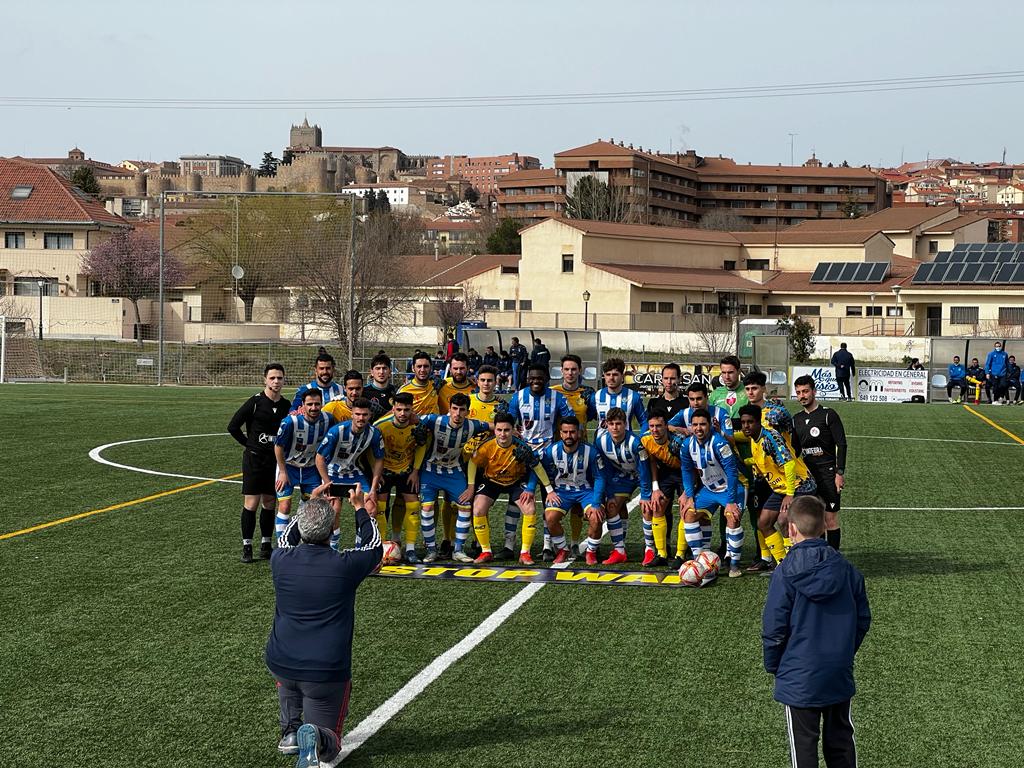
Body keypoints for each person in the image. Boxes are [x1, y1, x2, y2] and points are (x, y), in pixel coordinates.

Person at [265, 493, 382, 764]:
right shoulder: (345, 565)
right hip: (324, 670)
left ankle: (290, 732)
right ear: (331, 530)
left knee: (288, 683)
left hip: (281, 660)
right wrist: (361, 509)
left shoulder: (280, 558)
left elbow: (287, 536)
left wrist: (308, 504)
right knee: (330, 744)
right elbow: (374, 547)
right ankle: (317, 737)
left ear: (302, 525)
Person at [762, 495, 870, 768]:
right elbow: (863, 619)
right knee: (841, 742)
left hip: (799, 674)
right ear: (824, 528)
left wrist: (775, 666)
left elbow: (774, 629)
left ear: (791, 529)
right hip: (837, 670)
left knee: (803, 748)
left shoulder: (785, 573)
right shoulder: (847, 570)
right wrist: (843, 652)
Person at [409, 393, 492, 562]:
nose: (457, 413)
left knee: (465, 506)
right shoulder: (435, 420)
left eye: (462, 410)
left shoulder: (472, 425)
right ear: (449, 408)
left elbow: (492, 426)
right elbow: (412, 417)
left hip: (453, 471)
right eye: (454, 409)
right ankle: (431, 550)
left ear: (467, 411)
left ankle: (458, 550)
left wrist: (513, 431)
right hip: (430, 470)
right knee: (427, 509)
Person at [739, 404, 817, 573]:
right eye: (743, 423)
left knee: (783, 520)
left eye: (750, 422)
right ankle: (783, 564)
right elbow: (761, 460)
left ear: (758, 422)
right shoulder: (754, 439)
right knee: (763, 522)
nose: (746, 426)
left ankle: (795, 564)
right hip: (781, 489)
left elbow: (789, 464)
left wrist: (789, 494)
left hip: (800, 485)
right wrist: (744, 462)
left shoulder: (770, 438)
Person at [465, 413, 552, 565]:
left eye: (506, 430)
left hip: (515, 482)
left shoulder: (522, 446)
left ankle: (525, 553)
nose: (502, 434)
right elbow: (473, 463)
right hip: (491, 481)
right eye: (499, 430)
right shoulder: (486, 446)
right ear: (495, 430)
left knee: (530, 508)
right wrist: (471, 486)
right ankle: (486, 551)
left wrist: (549, 489)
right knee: (478, 509)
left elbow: (537, 466)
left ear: (513, 430)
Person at [228, 363, 289, 563]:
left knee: (270, 502)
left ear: (284, 380)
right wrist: (249, 444)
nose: (276, 381)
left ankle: (266, 544)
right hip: (254, 460)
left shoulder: (286, 405)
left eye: (279, 378)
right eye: (272, 378)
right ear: (265, 380)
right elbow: (233, 426)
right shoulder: (255, 402)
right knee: (251, 503)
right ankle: (247, 546)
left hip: (275, 461)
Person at [679, 408, 744, 578]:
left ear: (709, 425)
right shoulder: (687, 445)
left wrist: (731, 501)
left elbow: (732, 472)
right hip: (709, 489)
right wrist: (689, 496)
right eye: (695, 425)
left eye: (702, 424)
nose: (698, 428)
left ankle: (734, 565)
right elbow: (686, 470)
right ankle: (700, 560)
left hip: (731, 489)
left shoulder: (720, 443)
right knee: (689, 514)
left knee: (732, 517)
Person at [314, 398, 385, 551]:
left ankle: (360, 548)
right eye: (357, 414)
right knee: (333, 510)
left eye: (365, 415)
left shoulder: (374, 433)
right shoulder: (337, 431)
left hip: (354, 472)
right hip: (333, 473)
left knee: (371, 508)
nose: (361, 418)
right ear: (352, 414)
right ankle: (333, 548)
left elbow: (379, 460)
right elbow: (319, 458)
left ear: (370, 415)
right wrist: (327, 484)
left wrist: (373, 489)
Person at [588, 407, 654, 565]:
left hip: (641, 476)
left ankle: (650, 549)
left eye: (618, 424)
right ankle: (619, 551)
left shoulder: (636, 443)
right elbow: (604, 469)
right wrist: (610, 493)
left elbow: (645, 470)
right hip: (622, 477)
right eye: (611, 424)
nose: (615, 427)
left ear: (625, 424)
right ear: (606, 424)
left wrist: (645, 495)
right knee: (611, 506)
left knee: (647, 507)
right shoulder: (600, 442)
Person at [791, 375, 848, 550]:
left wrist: (839, 473)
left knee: (830, 519)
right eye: (798, 392)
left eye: (805, 391)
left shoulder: (828, 415)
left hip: (828, 473)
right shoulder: (796, 419)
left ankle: (833, 556)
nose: (802, 396)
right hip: (807, 476)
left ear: (814, 391)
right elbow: (795, 450)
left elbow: (841, 444)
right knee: (813, 519)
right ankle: (818, 555)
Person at [274, 388, 336, 542]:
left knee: (311, 507)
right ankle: (283, 546)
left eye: (317, 404)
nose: (313, 408)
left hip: (311, 469)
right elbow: (278, 446)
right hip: (289, 467)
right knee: (285, 505)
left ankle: (304, 543)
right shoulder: (290, 422)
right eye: (309, 404)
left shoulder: (328, 419)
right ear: (302, 405)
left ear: (322, 404)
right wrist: (282, 472)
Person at [540, 417, 603, 564]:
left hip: (586, 491)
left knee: (596, 517)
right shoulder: (551, 451)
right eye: (566, 432)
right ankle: (563, 549)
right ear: (560, 433)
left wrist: (596, 503)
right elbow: (538, 470)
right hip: (562, 491)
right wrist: (548, 491)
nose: (569, 435)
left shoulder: (591, 452)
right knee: (550, 518)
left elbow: (600, 478)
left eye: (572, 432)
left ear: (579, 433)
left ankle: (591, 552)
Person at [373, 392, 421, 559]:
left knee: (413, 506)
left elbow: (421, 447)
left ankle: (409, 548)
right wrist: (376, 472)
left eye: (406, 410)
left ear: (412, 409)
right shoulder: (380, 426)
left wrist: (415, 471)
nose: (402, 413)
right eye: (399, 409)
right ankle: (380, 547)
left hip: (406, 470)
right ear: (393, 409)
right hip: (384, 470)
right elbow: (370, 450)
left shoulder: (418, 426)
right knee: (380, 507)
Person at [640, 409, 682, 567]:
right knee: (657, 506)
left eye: (658, 426)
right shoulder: (645, 439)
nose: (655, 430)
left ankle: (681, 554)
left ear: (666, 426)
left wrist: (688, 491)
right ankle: (661, 554)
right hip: (666, 472)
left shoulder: (679, 441)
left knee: (686, 509)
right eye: (651, 426)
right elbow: (652, 461)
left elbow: (690, 465)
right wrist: (655, 487)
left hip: (685, 472)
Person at [590, 357, 648, 439]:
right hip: (601, 445)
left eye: (615, 374)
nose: (611, 378)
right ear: (604, 376)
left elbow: (644, 421)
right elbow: (586, 417)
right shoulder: (596, 396)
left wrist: (641, 439)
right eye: (608, 374)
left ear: (622, 376)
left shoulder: (633, 396)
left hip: (626, 444)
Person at [398, 351, 441, 416]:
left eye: (426, 366)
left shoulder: (437, 385)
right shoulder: (404, 390)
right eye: (419, 366)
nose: (422, 370)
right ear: (413, 368)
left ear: (431, 368)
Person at [364, 353, 396, 418]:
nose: (381, 372)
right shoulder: (364, 392)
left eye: (384, 368)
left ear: (389, 372)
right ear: (372, 372)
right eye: (378, 368)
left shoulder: (395, 391)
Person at [985, 340, 1009, 405]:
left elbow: (1007, 363)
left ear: (1001, 346)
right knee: (996, 386)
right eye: (996, 346)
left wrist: (1009, 372)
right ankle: (995, 400)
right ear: (994, 347)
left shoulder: (1005, 354)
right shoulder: (991, 354)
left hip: (1003, 373)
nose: (998, 347)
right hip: (994, 373)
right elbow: (987, 364)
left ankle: (1001, 397)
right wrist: (987, 373)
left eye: (999, 346)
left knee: (1003, 385)